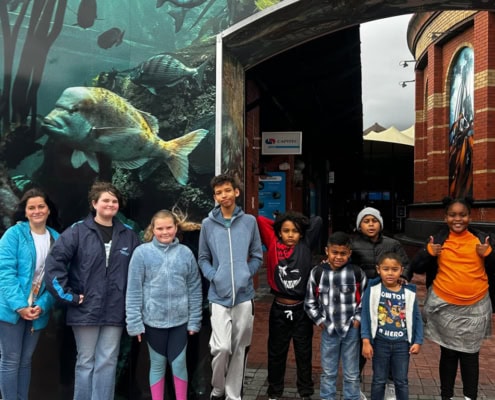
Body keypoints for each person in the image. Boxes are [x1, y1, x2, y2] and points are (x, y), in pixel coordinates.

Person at [44, 181, 140, 400]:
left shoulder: (129, 235)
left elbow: (139, 273)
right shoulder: (77, 231)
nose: (110, 204)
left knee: (108, 361)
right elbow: (54, 265)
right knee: (86, 361)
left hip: (115, 310)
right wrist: (69, 296)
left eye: (114, 201)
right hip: (84, 309)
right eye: (105, 200)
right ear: (94, 203)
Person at [410, 196, 494, 400]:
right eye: (453, 215)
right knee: (448, 354)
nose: (458, 219)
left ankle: (469, 397)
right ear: (445, 217)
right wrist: (428, 252)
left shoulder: (483, 239)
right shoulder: (437, 239)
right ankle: (445, 396)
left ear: (470, 217)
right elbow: (416, 267)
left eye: (463, 215)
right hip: (445, 307)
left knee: (470, 355)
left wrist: (490, 254)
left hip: (475, 307)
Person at [198, 173, 263, 400]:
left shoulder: (249, 222)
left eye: (227, 190)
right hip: (218, 296)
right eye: (218, 192)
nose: (223, 195)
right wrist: (214, 276)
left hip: (244, 297)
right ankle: (218, 387)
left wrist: (246, 274)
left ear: (236, 192)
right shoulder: (207, 224)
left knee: (239, 349)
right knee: (222, 347)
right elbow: (203, 258)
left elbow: (257, 255)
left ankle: (233, 395)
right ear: (214, 196)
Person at [126, 209, 202, 400]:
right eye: (160, 228)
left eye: (169, 227)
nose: (165, 232)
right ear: (153, 229)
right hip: (153, 322)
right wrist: (134, 323)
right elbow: (134, 290)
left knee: (179, 364)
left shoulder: (185, 254)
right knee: (157, 364)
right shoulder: (141, 253)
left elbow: (194, 288)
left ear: (176, 228)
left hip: (180, 322)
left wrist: (194, 321)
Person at [0, 188, 59, 400]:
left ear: (48, 209)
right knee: (10, 359)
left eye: (41, 206)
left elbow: (58, 280)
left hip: (37, 311)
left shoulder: (57, 239)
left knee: (25, 360)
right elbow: (5, 273)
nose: (36, 211)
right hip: (11, 309)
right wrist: (20, 306)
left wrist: (42, 305)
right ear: (25, 212)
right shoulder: (13, 235)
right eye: (31, 207)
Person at [256, 211, 322, 400]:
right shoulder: (273, 243)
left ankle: (305, 392)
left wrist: (298, 221)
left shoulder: (305, 244)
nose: (291, 234)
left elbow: (317, 219)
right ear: (278, 232)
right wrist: (281, 222)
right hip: (279, 309)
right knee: (276, 353)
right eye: (286, 231)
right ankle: (274, 393)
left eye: (295, 231)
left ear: (301, 233)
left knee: (303, 353)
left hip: (301, 310)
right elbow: (261, 219)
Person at [351, 206, 411, 400]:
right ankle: (355, 387)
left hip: (388, 302)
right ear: (359, 225)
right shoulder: (352, 243)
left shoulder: (393, 243)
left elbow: (406, 264)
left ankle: (391, 385)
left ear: (380, 224)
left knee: (390, 343)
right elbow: (342, 264)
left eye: (374, 220)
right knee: (361, 343)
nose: (370, 224)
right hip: (362, 301)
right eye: (366, 221)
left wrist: (403, 276)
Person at [305, 231, 367, 400]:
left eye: (343, 253)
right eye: (335, 252)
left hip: (351, 331)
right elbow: (310, 301)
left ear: (349, 253)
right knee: (328, 373)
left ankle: (352, 397)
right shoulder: (317, 273)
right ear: (327, 251)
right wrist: (320, 321)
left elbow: (364, 301)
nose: (338, 257)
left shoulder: (357, 273)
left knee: (352, 373)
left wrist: (357, 320)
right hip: (329, 331)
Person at [360, 252, 423, 400]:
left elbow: (417, 318)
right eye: (385, 269)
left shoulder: (408, 293)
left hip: (402, 345)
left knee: (401, 381)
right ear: (378, 269)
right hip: (380, 343)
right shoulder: (373, 290)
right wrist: (366, 340)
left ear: (401, 271)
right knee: (378, 380)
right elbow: (365, 315)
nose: (390, 273)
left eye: (394, 269)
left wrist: (418, 341)